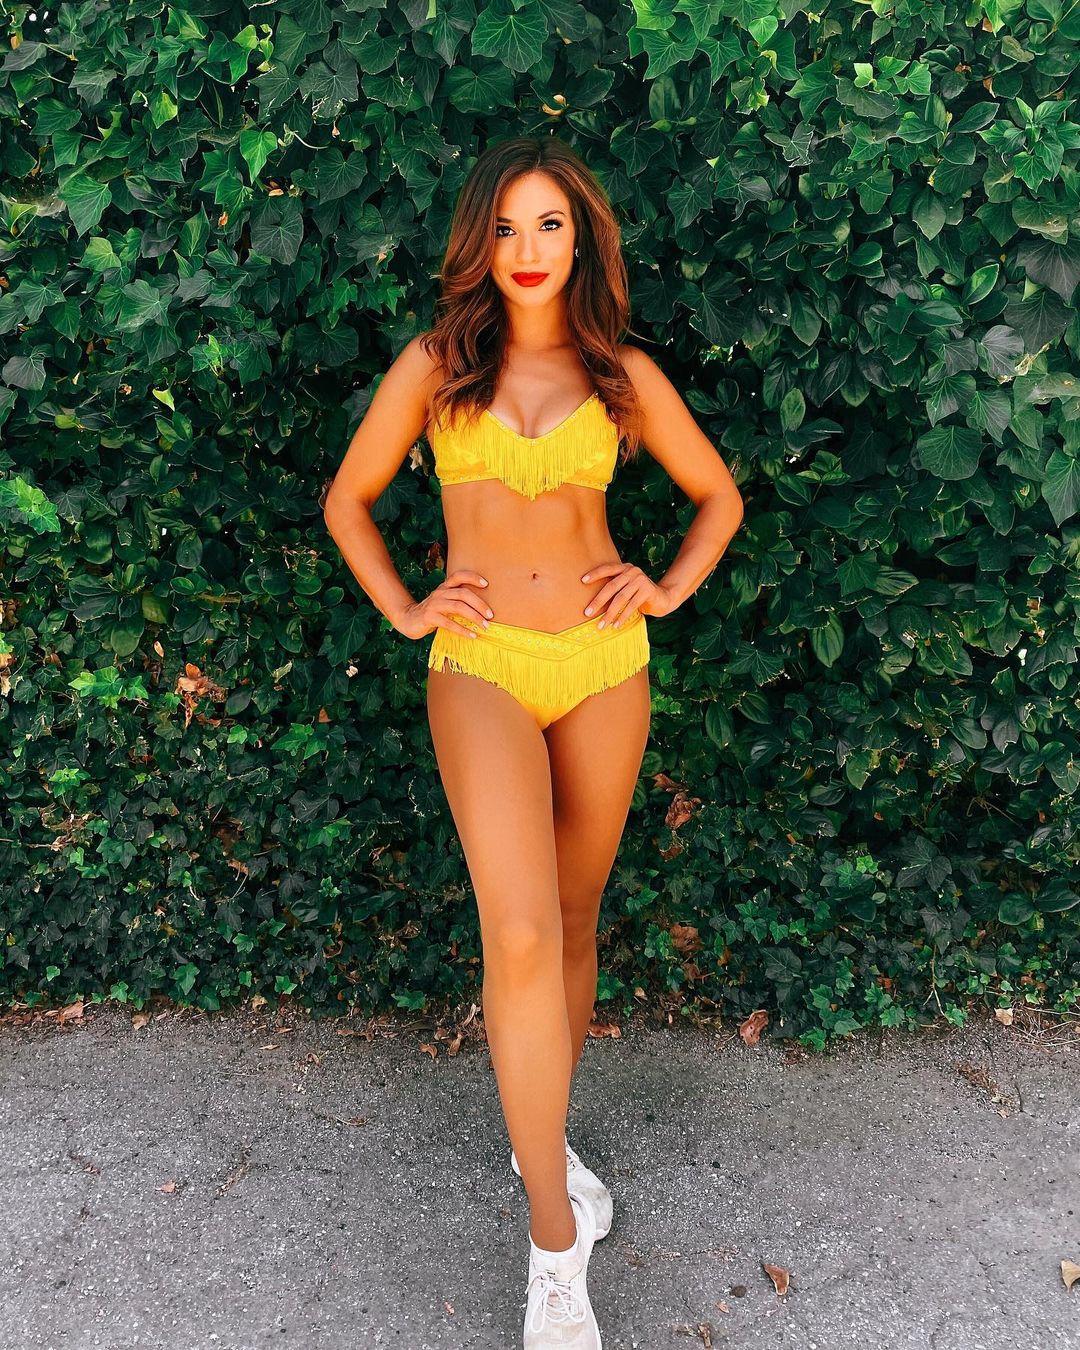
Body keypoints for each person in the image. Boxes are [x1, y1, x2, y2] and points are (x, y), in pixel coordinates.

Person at [323, 135, 744, 1349]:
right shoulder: (436, 366)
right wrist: (408, 609)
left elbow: (718, 498)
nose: (526, 249)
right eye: (505, 227)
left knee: (570, 919)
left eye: (549, 224)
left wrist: (663, 587)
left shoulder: (622, 375)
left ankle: (541, 1137)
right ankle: (556, 1249)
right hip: (481, 668)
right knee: (515, 931)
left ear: (581, 240)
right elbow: (348, 499)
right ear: (479, 241)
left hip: (605, 668)